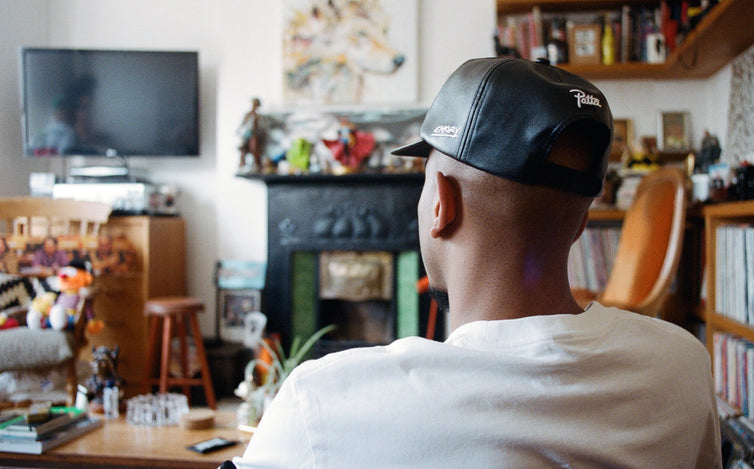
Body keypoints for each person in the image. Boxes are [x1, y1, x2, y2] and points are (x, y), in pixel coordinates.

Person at [231, 57, 721, 469]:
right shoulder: (682, 369)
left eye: (425, 181)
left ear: (441, 205)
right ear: (580, 224)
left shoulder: (319, 405)